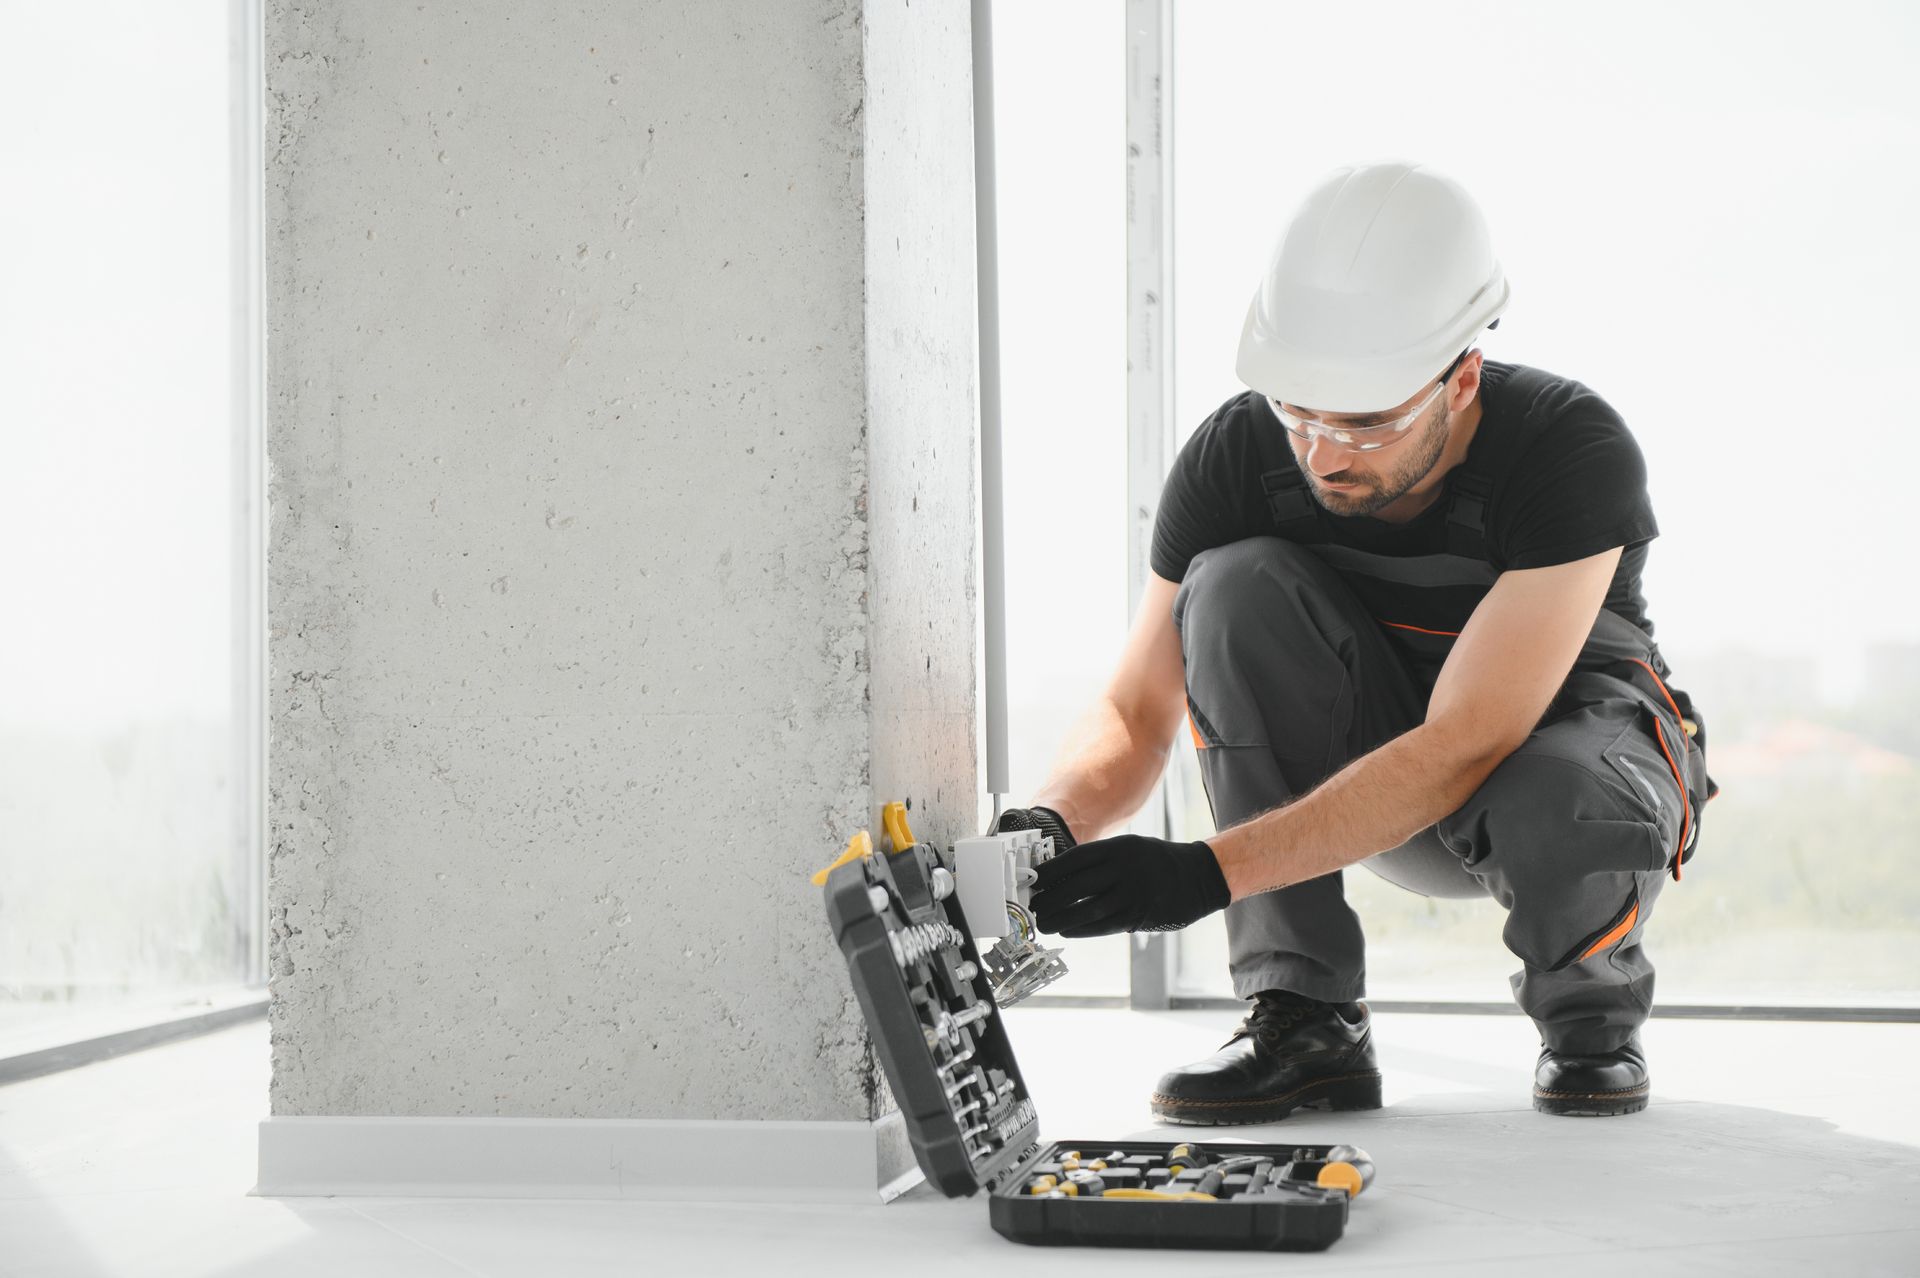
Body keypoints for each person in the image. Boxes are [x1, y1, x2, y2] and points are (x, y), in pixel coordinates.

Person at [994, 160, 1715, 1120]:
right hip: (1369, 780)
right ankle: (1306, 1016)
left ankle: (1590, 1013)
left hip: (1552, 761)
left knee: (1559, 795)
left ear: (1462, 379)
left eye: (1368, 424)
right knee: (1232, 584)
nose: (1325, 453)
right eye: (1299, 412)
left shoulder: (1566, 450)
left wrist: (1201, 873)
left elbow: (1470, 738)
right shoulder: (1239, 455)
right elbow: (1136, 708)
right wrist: (1050, 824)